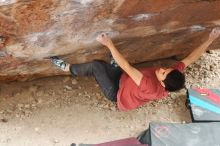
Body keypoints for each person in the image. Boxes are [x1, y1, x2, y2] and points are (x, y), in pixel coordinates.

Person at [51, 28, 220, 111]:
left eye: (163, 72)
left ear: (162, 84)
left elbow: (127, 66)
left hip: (117, 93)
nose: (162, 68)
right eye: (166, 69)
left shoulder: (149, 85)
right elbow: (191, 58)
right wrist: (210, 39)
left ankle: (68, 68)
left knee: (97, 66)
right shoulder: (171, 76)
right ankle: (112, 66)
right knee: (111, 64)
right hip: (126, 79)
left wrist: (109, 43)